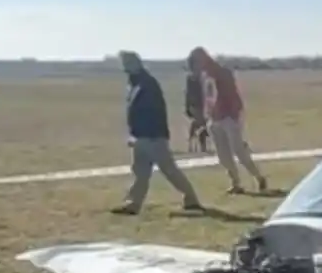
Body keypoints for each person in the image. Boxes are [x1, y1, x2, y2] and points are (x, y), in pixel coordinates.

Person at [113, 50, 205, 215]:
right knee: (140, 172)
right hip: (142, 136)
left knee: (169, 170)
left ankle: (191, 198)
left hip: (153, 136)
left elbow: (151, 112)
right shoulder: (136, 83)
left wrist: (145, 134)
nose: (124, 66)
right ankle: (133, 204)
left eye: (126, 62)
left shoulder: (147, 84)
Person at [188, 46, 269, 194]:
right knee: (223, 155)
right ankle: (235, 183)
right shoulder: (204, 76)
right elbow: (207, 97)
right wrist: (207, 115)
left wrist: (234, 115)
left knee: (239, 151)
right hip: (214, 119)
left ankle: (259, 177)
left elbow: (231, 94)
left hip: (229, 117)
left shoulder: (222, 72)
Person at [184, 61, 209, 153]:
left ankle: (196, 145)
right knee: (201, 124)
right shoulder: (191, 79)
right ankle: (200, 146)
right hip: (195, 105)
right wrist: (188, 106)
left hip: (201, 105)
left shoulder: (201, 78)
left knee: (200, 125)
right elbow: (188, 94)